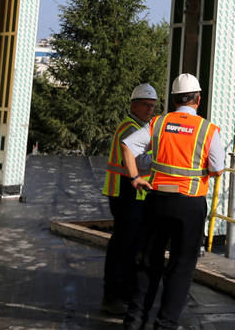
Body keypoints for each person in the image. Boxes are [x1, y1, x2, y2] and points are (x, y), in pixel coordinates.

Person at [120, 73, 224, 330]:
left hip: (157, 201)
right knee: (181, 266)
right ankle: (165, 324)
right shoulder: (207, 129)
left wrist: (135, 178)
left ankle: (134, 322)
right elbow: (218, 168)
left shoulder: (158, 123)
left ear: (175, 99)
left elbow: (127, 146)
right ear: (198, 99)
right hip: (190, 204)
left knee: (147, 262)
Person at [101, 83, 158, 315]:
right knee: (123, 246)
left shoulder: (139, 126)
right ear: (133, 105)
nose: (150, 110)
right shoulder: (130, 128)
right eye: (145, 105)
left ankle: (120, 291)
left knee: (129, 245)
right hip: (125, 191)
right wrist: (161, 159)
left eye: (153, 106)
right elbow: (138, 161)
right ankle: (113, 294)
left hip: (132, 191)